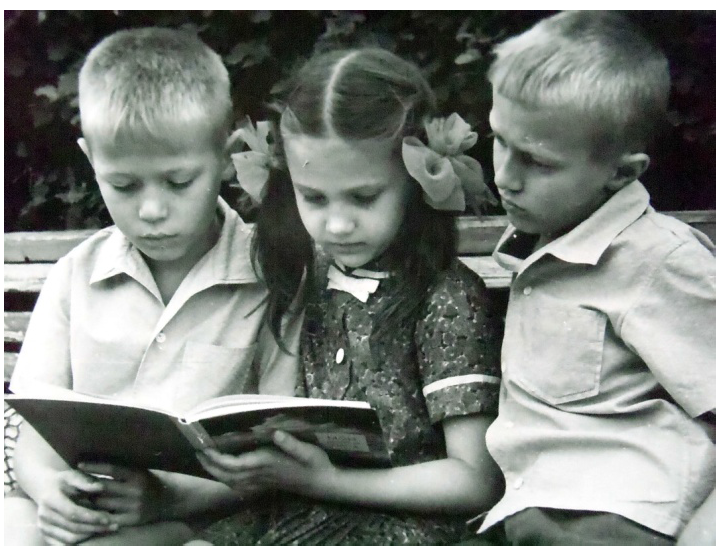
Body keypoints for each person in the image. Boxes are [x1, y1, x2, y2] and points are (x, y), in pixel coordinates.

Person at [196, 47, 505, 545]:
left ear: (416, 179)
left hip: (407, 524)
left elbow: (475, 480)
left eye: (364, 197)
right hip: (302, 508)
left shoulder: (446, 298)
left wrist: (325, 482)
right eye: (314, 197)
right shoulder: (306, 272)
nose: (337, 225)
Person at [5, 27, 300, 546]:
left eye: (178, 182)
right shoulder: (75, 275)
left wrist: (169, 498)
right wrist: (49, 487)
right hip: (77, 510)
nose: (152, 210)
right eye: (123, 185)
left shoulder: (271, 278)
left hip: (198, 519)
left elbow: (276, 455)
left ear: (226, 156)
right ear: (91, 160)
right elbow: (32, 427)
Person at [471, 11, 715, 545]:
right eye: (499, 140)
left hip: (619, 521)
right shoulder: (540, 243)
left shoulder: (658, 260)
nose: (505, 176)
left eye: (538, 162)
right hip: (534, 517)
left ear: (622, 173)